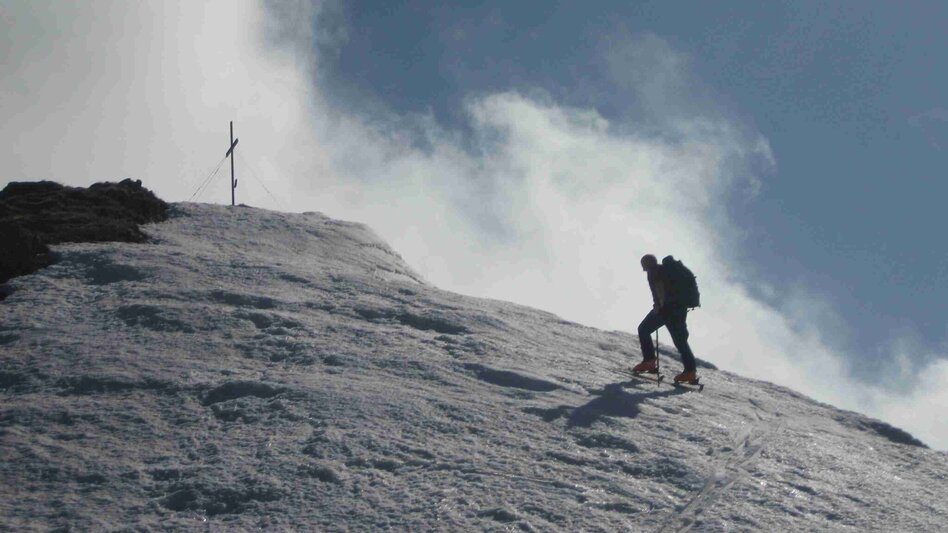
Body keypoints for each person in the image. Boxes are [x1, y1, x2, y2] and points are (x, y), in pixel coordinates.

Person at [631, 254, 699, 384]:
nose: (643, 268)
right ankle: (690, 372)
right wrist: (658, 304)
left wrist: (660, 306)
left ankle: (649, 362)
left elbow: (661, 290)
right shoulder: (664, 270)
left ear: (646, 264)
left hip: (667, 310)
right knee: (680, 340)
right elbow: (661, 291)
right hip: (678, 309)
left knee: (643, 329)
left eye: (643, 264)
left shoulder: (655, 272)